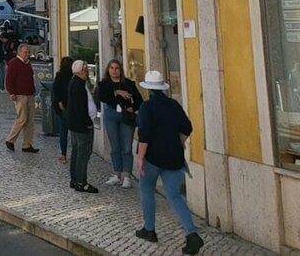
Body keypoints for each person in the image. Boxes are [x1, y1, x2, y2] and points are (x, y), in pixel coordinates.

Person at [135, 70, 204, 254]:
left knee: (147, 190)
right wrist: (179, 142)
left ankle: (149, 229)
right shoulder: (173, 105)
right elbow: (187, 127)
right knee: (174, 196)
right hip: (174, 157)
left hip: (152, 157)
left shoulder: (146, 107)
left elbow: (144, 135)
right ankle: (191, 234)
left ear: (148, 89)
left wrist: (140, 158)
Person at [97, 58, 142, 187]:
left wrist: (132, 108)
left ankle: (127, 175)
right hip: (111, 114)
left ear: (120, 70)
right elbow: (102, 97)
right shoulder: (104, 84)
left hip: (126, 116)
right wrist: (116, 92)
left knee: (126, 147)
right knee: (115, 147)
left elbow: (139, 100)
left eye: (116, 68)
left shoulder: (128, 84)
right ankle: (116, 174)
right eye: (111, 68)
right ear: (108, 70)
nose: (114, 71)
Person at [67, 59, 99, 192]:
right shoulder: (78, 85)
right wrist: (88, 123)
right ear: (80, 71)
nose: (87, 72)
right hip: (82, 126)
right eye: (85, 70)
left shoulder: (74, 82)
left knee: (76, 152)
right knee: (82, 154)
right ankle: (81, 182)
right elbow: (80, 108)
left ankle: (75, 179)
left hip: (75, 124)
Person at [4, 43, 38, 152]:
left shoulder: (27, 63)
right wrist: (12, 93)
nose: (27, 54)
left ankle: (27, 144)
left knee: (30, 121)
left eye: (28, 52)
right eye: (25, 52)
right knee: (22, 119)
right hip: (20, 95)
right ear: (19, 52)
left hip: (29, 94)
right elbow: (9, 79)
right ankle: (10, 140)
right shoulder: (14, 63)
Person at [51, 55, 73, 163]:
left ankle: (64, 155)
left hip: (62, 106)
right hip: (71, 106)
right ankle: (74, 154)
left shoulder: (59, 75)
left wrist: (59, 102)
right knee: (73, 132)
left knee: (63, 131)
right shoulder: (73, 77)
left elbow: (55, 89)